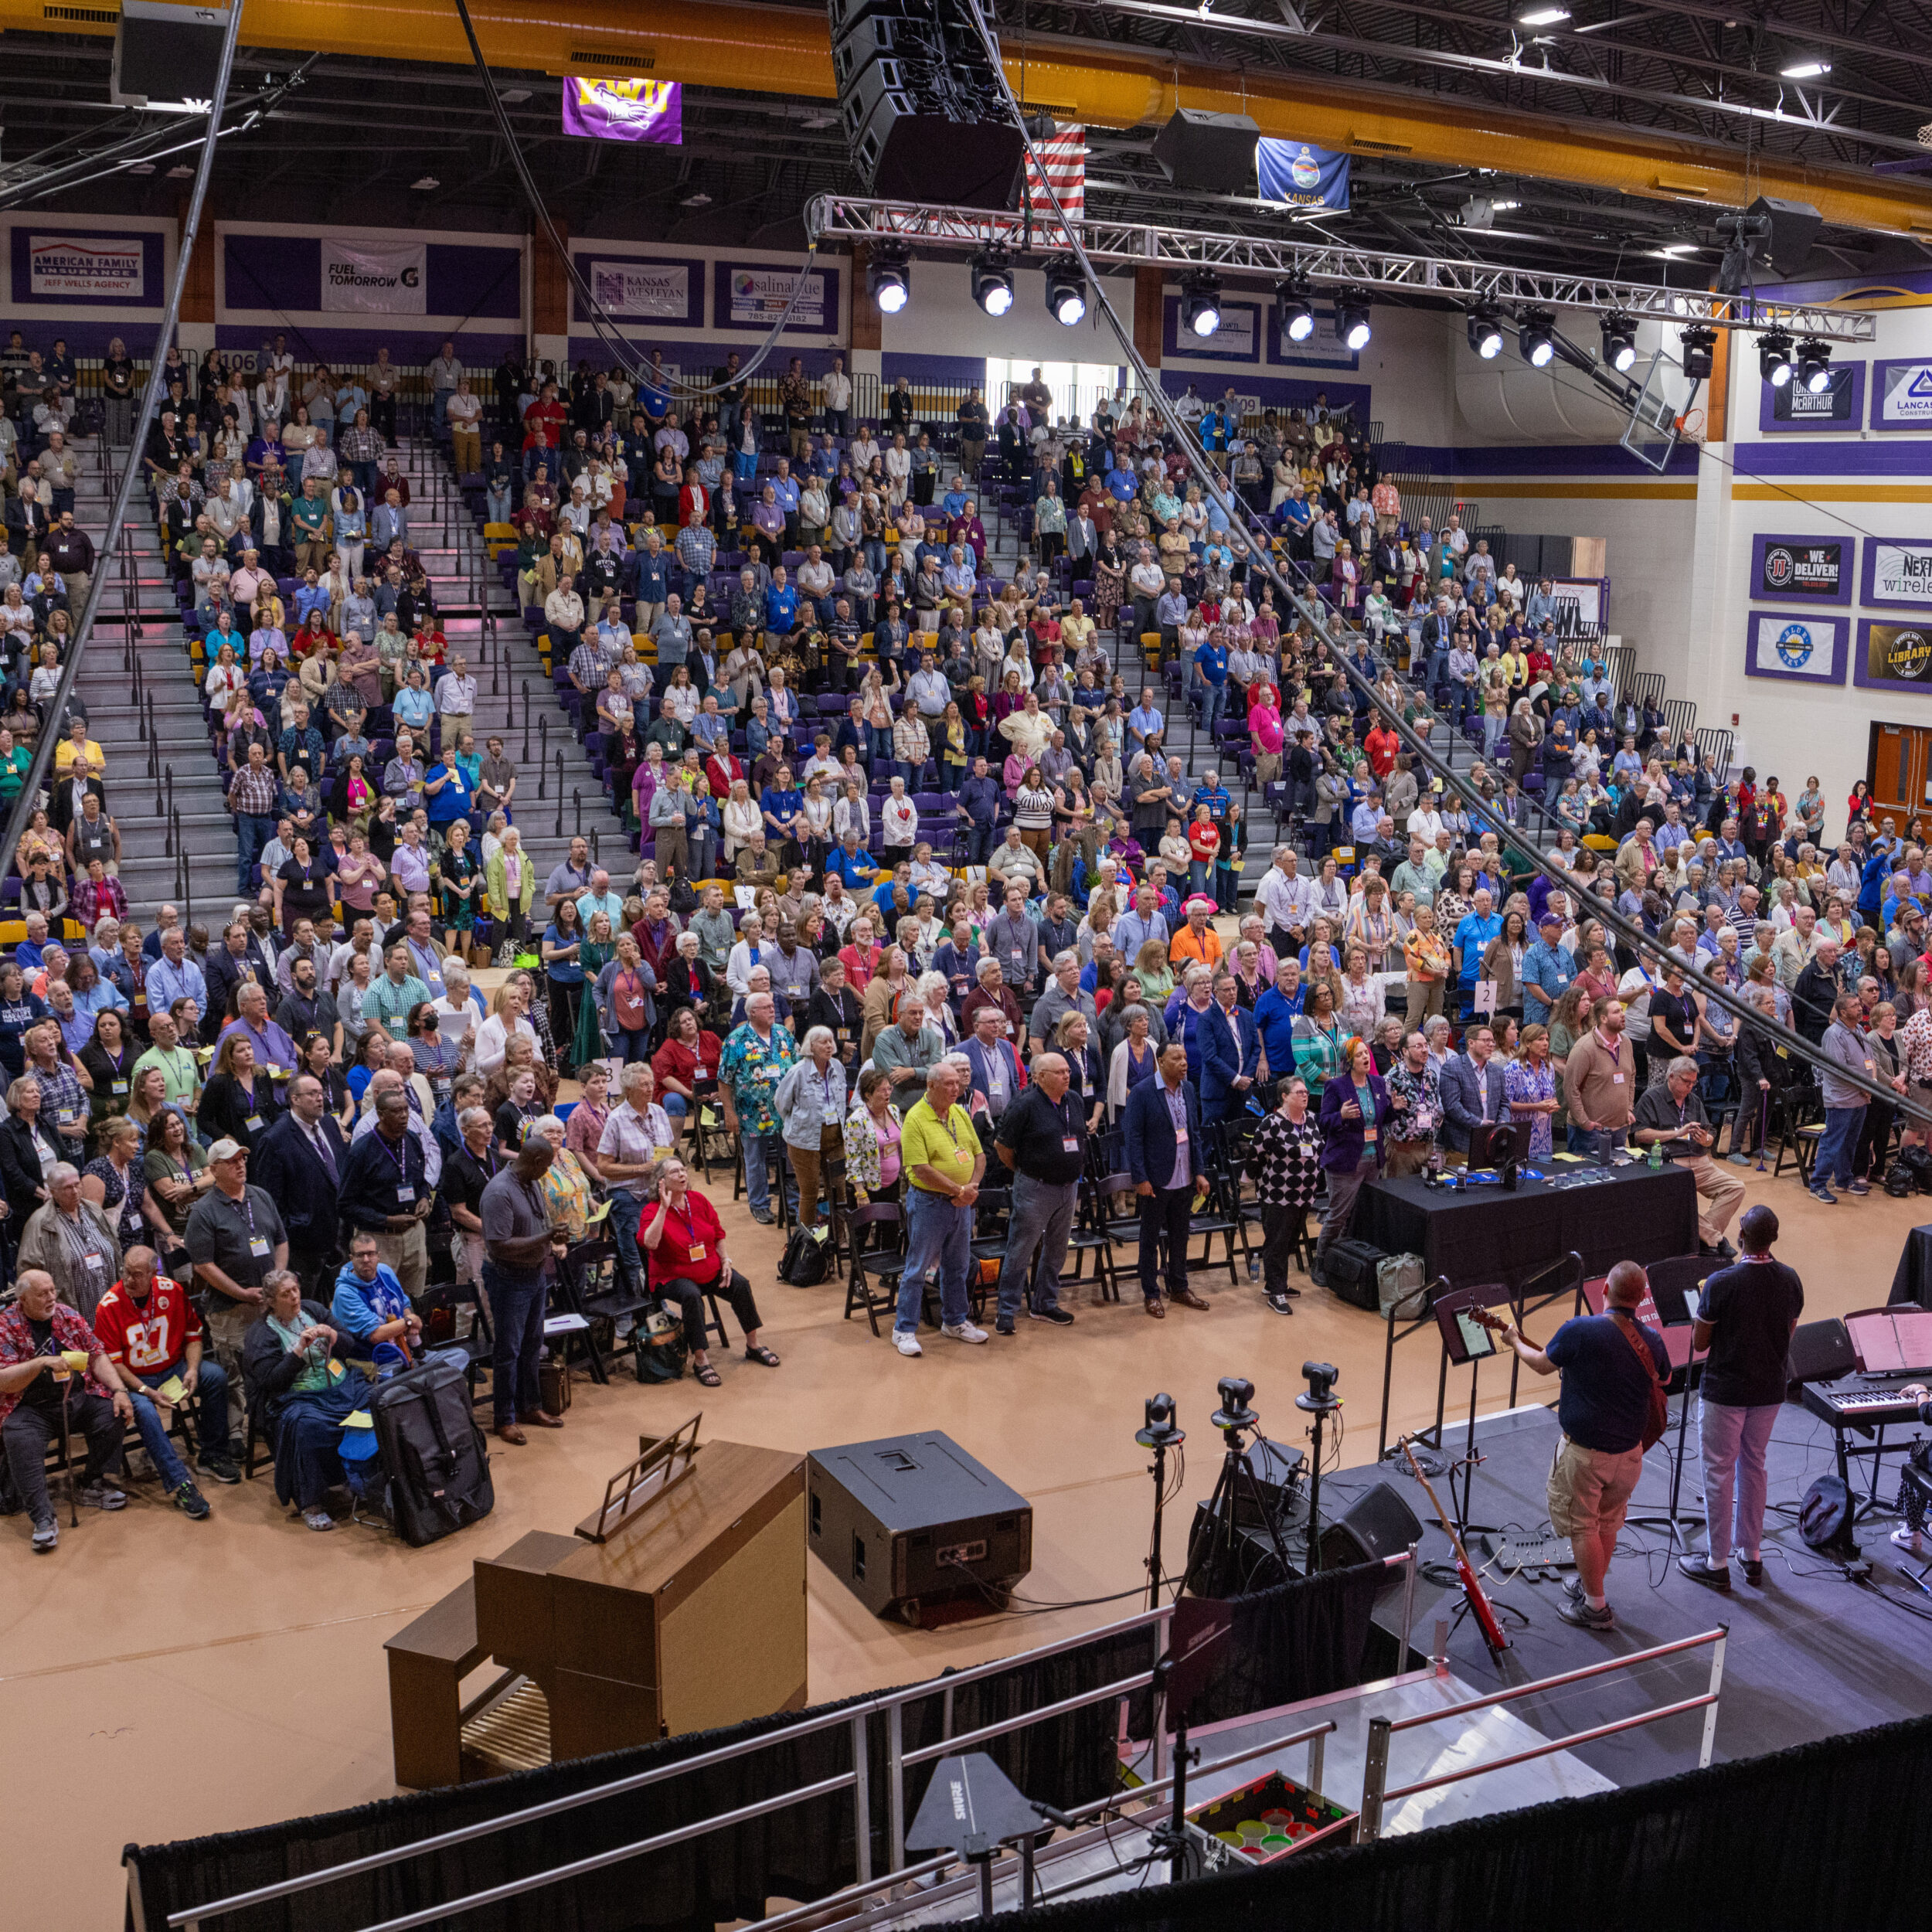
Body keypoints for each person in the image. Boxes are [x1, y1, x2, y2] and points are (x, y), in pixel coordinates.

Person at [1493, 1258, 1669, 1632]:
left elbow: (1541, 1365)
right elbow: (1664, 1377)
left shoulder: (1579, 1330)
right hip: (1631, 1457)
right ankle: (1593, 1587)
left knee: (1583, 1527)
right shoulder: (1651, 1340)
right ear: (1641, 1298)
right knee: (1607, 1522)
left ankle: (1595, 1607)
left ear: (1604, 1289)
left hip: (1586, 1455)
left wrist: (1512, 1340)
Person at [1680, 1204, 1804, 1593]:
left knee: (1719, 1472)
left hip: (1726, 1392)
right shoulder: (1791, 1280)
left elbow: (1700, 1344)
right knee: (1755, 1466)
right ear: (1775, 1239)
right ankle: (1751, 1555)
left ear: (1740, 1238)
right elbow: (1789, 1332)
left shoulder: (1720, 1282)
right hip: (1769, 1390)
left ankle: (1716, 1562)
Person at [0, 1267, 139, 1551]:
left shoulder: (67, 1315)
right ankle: (42, 1518)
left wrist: (120, 1391)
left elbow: (97, 1356)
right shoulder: (6, 1325)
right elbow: (5, 1381)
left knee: (115, 1413)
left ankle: (91, 1483)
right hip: (30, 1407)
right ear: (23, 1299)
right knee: (17, 1436)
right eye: (43, 1294)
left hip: (75, 1397)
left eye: (53, 1290)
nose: (52, 1297)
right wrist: (41, 1363)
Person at [639, 1152, 778, 1387]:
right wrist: (664, 1208)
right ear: (661, 1181)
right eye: (675, 1171)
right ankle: (701, 1359)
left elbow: (718, 1233)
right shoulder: (652, 1210)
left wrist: (725, 1260)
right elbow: (650, 1243)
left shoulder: (698, 1200)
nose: (682, 1174)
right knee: (691, 1296)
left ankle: (753, 1345)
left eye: (683, 1169)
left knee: (740, 1284)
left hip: (709, 1268)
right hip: (672, 1275)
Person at [240, 1270, 363, 1532]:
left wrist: (331, 1334)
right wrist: (298, 1350)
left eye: (295, 1289)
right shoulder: (261, 1334)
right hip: (294, 1397)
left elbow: (348, 1344)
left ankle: (366, 1478)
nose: (295, 1297)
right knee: (306, 1426)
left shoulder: (313, 1309)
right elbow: (271, 1382)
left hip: (337, 1386)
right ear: (272, 1301)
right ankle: (311, 1503)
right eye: (286, 1294)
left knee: (374, 1400)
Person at [893, 1060, 990, 1356]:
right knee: (917, 1268)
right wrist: (957, 1190)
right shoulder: (915, 1119)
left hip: (963, 1204)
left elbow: (979, 1155)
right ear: (930, 1085)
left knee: (958, 1265)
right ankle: (904, 1330)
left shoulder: (960, 1112)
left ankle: (955, 1321)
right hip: (929, 1203)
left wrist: (970, 1189)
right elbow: (920, 1168)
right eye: (948, 1084)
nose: (956, 1088)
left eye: (958, 1083)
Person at [478, 1134, 565, 1446]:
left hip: (534, 1275)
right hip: (509, 1279)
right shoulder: (499, 1192)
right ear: (538, 1162)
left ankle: (531, 1407)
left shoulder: (531, 1182)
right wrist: (545, 1238)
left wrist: (551, 1236)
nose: (548, 1172)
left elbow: (536, 1225)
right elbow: (499, 1246)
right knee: (509, 1351)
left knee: (532, 1345)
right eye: (548, 1166)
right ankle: (505, 1418)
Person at [990, 1049, 1083, 1334]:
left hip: (1068, 1188)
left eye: (1068, 1071)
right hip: (1035, 1187)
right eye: (1060, 1072)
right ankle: (1006, 1310)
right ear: (1040, 1076)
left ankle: (1044, 1304)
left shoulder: (1074, 1101)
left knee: (1056, 1250)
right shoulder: (1025, 1105)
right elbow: (1002, 1146)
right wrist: (1025, 1170)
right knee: (1021, 1249)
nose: (1067, 1075)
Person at [1122, 1040, 1213, 1318]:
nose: (1184, 1063)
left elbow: (1194, 1133)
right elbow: (1133, 1138)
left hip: (1184, 1174)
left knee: (1180, 1236)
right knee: (1149, 1238)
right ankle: (1151, 1293)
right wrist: (1140, 1177)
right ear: (1161, 1061)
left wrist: (1199, 1170)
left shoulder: (1188, 1088)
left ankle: (1179, 1287)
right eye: (1176, 1058)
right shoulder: (1142, 1092)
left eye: (1185, 1057)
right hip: (1156, 1178)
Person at [1631, 1055, 1745, 1257]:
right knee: (1679, 1192)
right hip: (1672, 1162)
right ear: (1672, 1076)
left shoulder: (1694, 1101)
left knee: (1736, 1188)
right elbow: (1640, 1135)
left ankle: (1703, 1236)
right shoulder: (1651, 1098)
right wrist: (1676, 1133)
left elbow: (1710, 1137)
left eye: (1694, 1082)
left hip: (1700, 1161)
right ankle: (1714, 1238)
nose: (1690, 1087)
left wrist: (1706, 1140)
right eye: (1686, 1081)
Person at [249, 1072, 349, 1294]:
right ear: (294, 1099)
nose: (320, 1098)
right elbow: (271, 1199)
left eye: (321, 1093)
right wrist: (294, 1228)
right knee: (306, 1306)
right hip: (303, 1244)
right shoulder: (275, 1139)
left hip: (337, 1232)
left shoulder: (330, 1123)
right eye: (312, 1094)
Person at [1315, 1036, 1392, 1284]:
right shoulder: (1337, 1087)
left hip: (1373, 1159)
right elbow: (1323, 1122)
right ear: (1349, 1061)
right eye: (1359, 1055)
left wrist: (1397, 1107)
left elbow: (1384, 1118)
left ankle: (1347, 1260)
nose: (1366, 1058)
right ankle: (1321, 1262)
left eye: (1367, 1054)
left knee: (1362, 1214)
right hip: (1346, 1161)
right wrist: (1341, 1115)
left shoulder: (1378, 1083)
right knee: (1338, 1216)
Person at [1247, 1077, 1322, 1315]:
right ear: (1284, 1096)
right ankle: (1276, 1291)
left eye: (1306, 1092)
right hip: (1277, 1195)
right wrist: (1259, 1183)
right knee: (1277, 1243)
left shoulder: (1310, 1119)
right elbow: (1255, 1156)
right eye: (1299, 1092)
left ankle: (1275, 1284)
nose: (1305, 1095)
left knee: (1290, 1240)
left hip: (1304, 1193)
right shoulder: (1272, 1123)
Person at [771, 1026, 848, 1230]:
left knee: (840, 1190)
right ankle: (808, 1244)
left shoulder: (838, 1067)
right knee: (810, 1192)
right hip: (804, 1142)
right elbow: (780, 1103)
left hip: (836, 1140)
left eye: (831, 1041)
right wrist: (798, 1123)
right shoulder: (798, 1072)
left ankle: (836, 1239)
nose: (829, 1045)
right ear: (811, 1046)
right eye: (823, 1042)